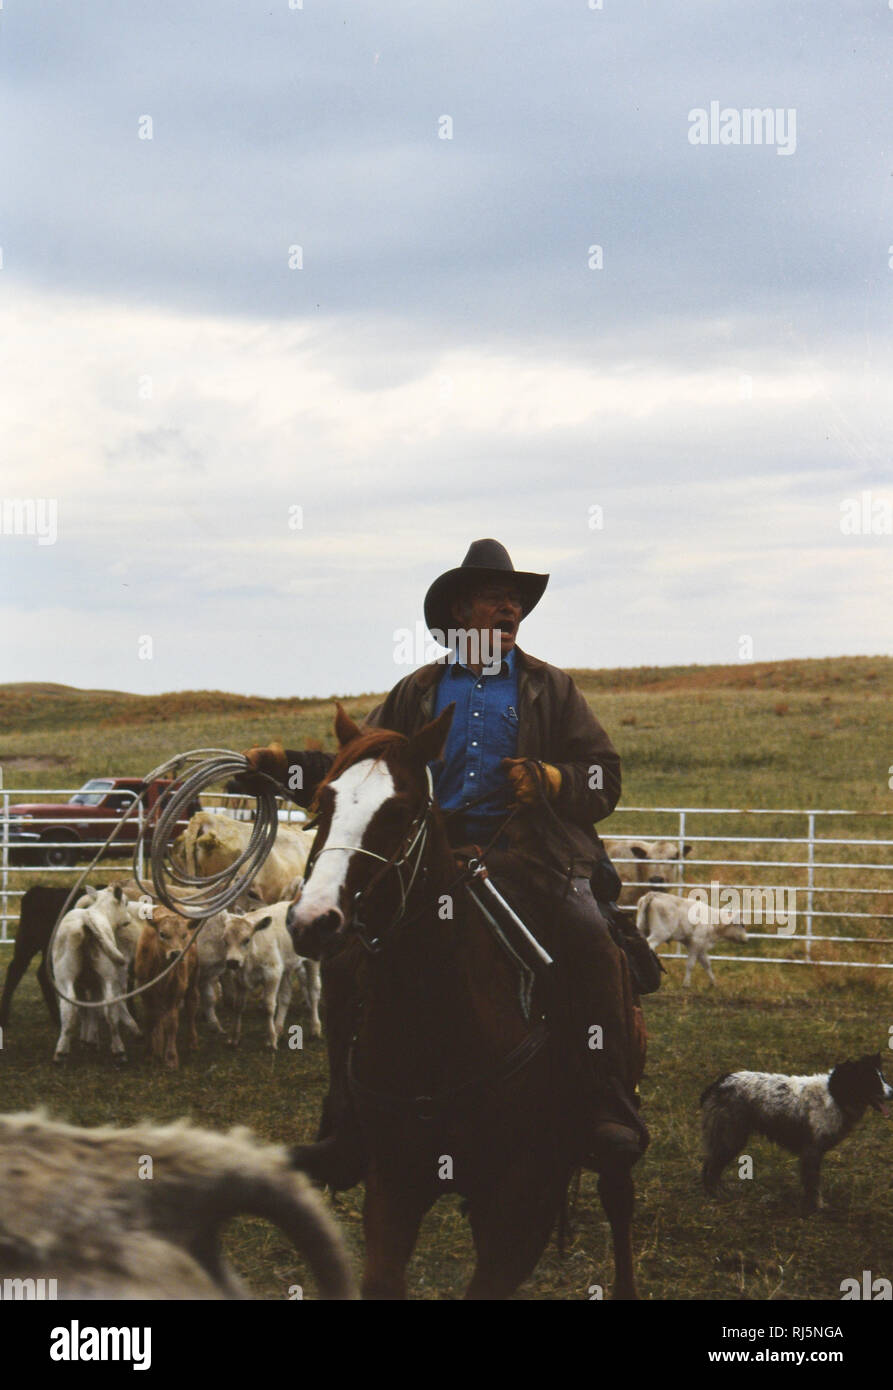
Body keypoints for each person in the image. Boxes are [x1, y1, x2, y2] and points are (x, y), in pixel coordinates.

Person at [231, 539, 648, 1187]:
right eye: (494, 596)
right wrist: (281, 769)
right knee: (345, 964)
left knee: (590, 939)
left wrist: (550, 779)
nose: (510, 606)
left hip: (530, 856)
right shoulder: (416, 692)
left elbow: (605, 778)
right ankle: (343, 1125)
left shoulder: (549, 689)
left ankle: (604, 1098)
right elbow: (359, 768)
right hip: (431, 858)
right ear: (461, 611)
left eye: (516, 599)